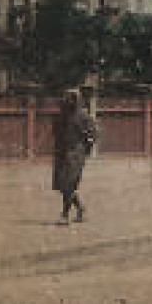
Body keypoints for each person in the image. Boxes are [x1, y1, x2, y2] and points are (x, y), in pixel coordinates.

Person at [51, 88, 97, 224]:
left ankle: (64, 215)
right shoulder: (62, 115)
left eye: (70, 99)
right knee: (62, 185)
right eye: (65, 99)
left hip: (76, 153)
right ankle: (80, 208)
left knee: (68, 184)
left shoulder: (83, 116)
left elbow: (93, 134)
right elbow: (56, 132)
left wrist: (86, 147)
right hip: (62, 152)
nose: (67, 102)